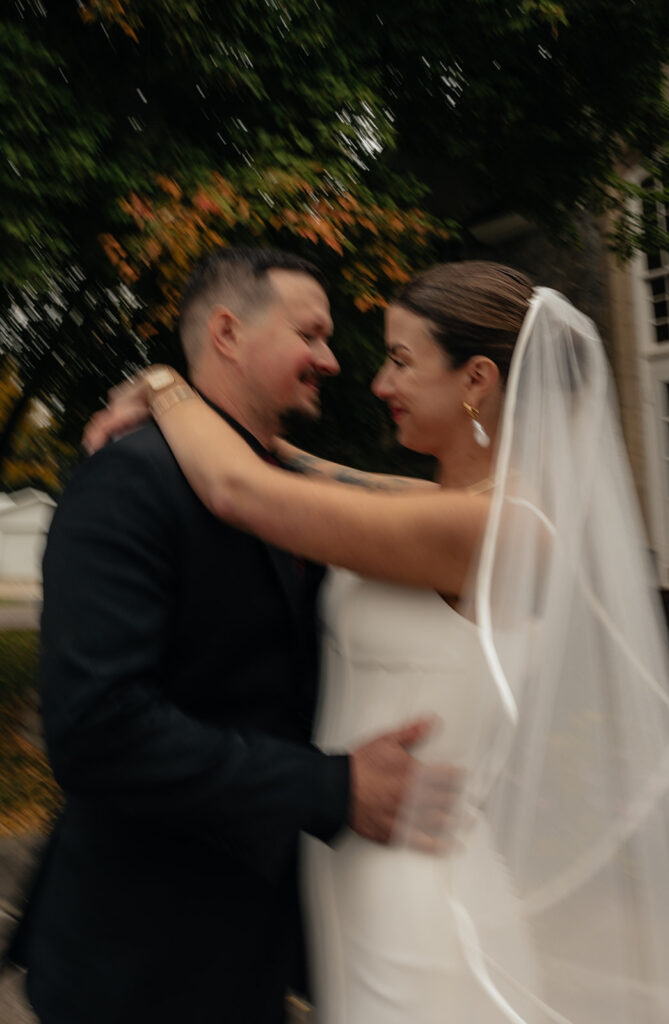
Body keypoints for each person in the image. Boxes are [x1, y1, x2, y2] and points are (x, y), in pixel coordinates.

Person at [88, 258, 669, 1023]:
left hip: (413, 890)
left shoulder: (499, 527)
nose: (377, 384)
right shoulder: (449, 502)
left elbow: (241, 488)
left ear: (474, 380)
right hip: (354, 868)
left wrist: (164, 385)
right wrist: (199, 405)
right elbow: (299, 467)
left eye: (401, 360)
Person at [6, 248, 458, 1024]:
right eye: (310, 334)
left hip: (261, 950)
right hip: (135, 964)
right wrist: (335, 787)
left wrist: (157, 382)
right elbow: (97, 730)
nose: (331, 360)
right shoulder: (127, 480)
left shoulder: (293, 492)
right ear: (226, 331)